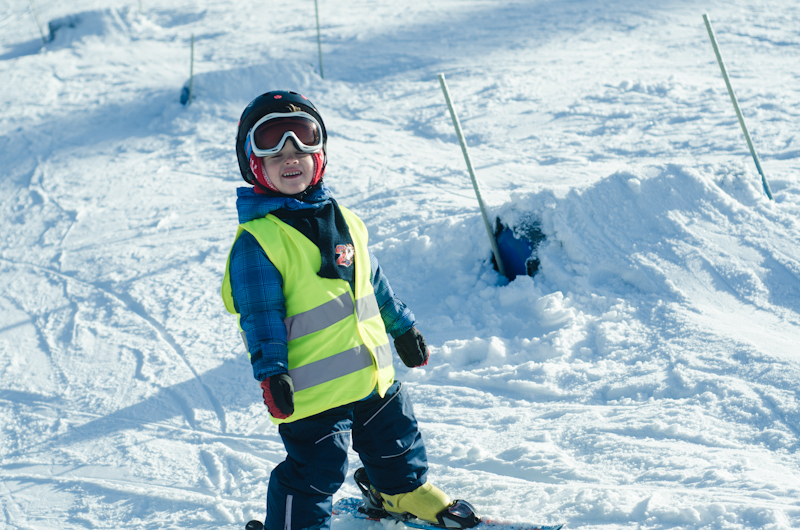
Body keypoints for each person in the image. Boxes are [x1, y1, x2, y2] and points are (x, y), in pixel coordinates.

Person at [220, 91, 478, 530]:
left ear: (320, 153)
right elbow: (260, 316)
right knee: (316, 470)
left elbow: (373, 285)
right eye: (273, 148)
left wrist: (402, 327)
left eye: (302, 141)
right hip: (313, 389)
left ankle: (401, 492)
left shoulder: (346, 219)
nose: (291, 156)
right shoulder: (257, 242)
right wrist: (272, 372)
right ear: (253, 164)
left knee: (395, 440)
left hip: (373, 374)